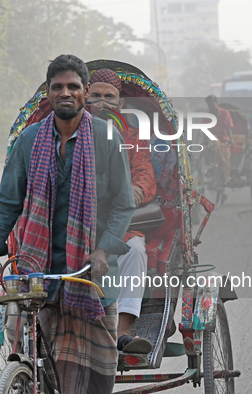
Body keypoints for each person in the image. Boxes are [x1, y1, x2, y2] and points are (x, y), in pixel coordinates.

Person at [0, 55, 135, 394]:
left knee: (94, 380)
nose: (66, 92)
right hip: (38, 274)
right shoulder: (28, 141)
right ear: (48, 93)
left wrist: (103, 250)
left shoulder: (106, 137)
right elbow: (8, 203)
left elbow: (123, 203)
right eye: (57, 87)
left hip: (91, 274)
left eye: (73, 86)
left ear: (85, 92)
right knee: (30, 358)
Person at [86, 68, 157, 354]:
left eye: (109, 97)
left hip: (120, 222)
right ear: (84, 99)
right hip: (76, 222)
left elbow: (144, 174)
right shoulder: (68, 131)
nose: (103, 102)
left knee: (136, 251)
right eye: (96, 96)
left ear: (121, 104)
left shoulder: (131, 136)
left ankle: (122, 332)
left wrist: (129, 195)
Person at [206, 95, 234, 193]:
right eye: (209, 105)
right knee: (214, 140)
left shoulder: (225, 113)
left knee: (225, 163)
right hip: (213, 142)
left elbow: (228, 128)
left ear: (216, 103)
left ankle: (224, 180)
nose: (211, 107)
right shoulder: (207, 115)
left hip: (224, 142)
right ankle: (213, 163)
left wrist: (231, 139)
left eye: (212, 104)